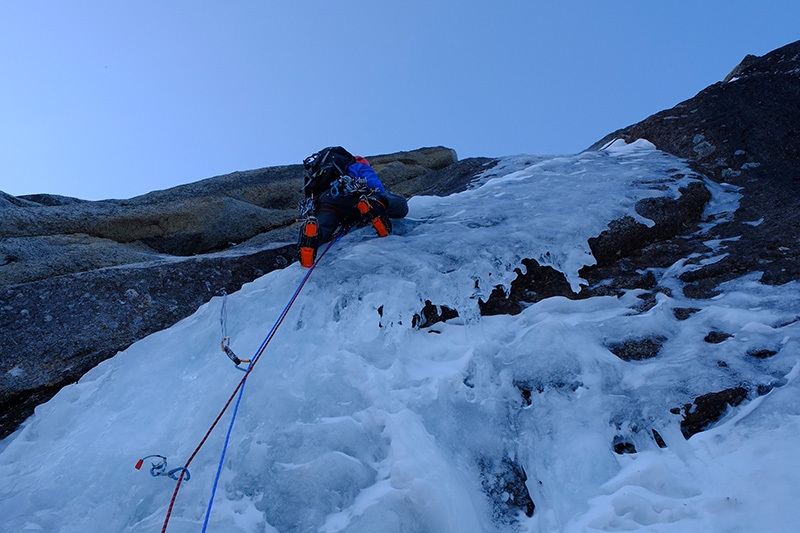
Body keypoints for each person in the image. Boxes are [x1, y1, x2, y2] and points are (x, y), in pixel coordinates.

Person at [298, 146, 409, 267]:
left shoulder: (321, 175)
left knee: (323, 225)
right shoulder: (359, 163)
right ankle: (372, 207)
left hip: (326, 202)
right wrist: (378, 196)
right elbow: (375, 186)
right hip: (352, 194)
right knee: (395, 202)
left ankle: (310, 241)